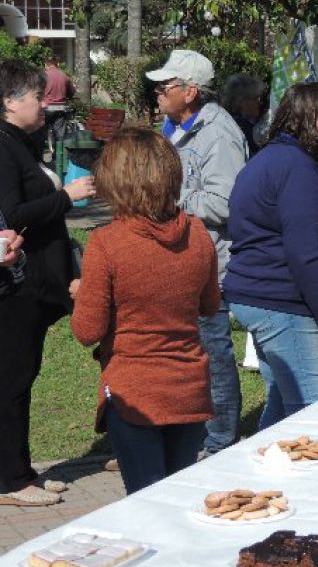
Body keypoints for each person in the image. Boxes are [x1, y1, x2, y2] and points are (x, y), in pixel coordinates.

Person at [70, 129, 220, 494]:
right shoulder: (198, 232)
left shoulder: (107, 243)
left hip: (135, 391)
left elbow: (87, 330)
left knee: (145, 502)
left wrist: (82, 292)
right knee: (175, 497)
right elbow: (209, 305)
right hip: (188, 388)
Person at [224, 82, 318, 429]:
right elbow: (305, 255)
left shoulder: (272, 158)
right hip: (279, 300)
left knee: (281, 405)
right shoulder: (296, 169)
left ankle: (256, 476)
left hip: (258, 294)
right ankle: (298, 483)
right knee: (309, 416)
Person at [0, 59, 93, 506]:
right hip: (17, 286)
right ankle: (12, 481)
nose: (44, 103)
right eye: (37, 96)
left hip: (32, 285)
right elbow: (15, 214)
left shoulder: (19, 142)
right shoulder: (3, 146)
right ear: (9, 101)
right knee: (13, 380)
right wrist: (66, 198)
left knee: (21, 377)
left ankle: (21, 471)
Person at [146, 49, 247, 457]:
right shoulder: (174, 125)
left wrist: (168, 198)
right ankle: (193, 430)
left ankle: (221, 439)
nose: (157, 93)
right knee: (188, 350)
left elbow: (226, 202)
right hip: (179, 257)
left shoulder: (217, 133)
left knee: (212, 351)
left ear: (190, 92)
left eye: (164, 87)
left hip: (210, 262)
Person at [221, 74, 267, 157]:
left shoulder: (226, 120)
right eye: (256, 98)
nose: (259, 102)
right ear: (241, 101)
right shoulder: (239, 128)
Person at [40, 56, 74, 154]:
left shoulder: (43, 75)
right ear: (57, 64)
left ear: (46, 65)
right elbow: (71, 92)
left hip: (47, 108)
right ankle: (58, 158)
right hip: (60, 108)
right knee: (60, 135)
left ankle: (39, 157)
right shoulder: (64, 76)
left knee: (40, 133)